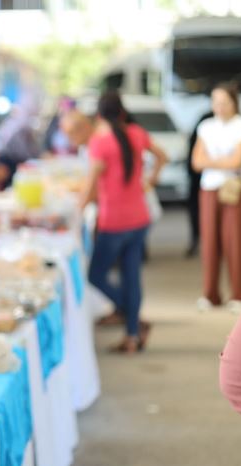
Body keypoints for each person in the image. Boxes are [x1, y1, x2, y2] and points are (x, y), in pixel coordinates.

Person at [81, 91, 166, 353]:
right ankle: (132, 333)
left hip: (114, 220)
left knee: (96, 275)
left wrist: (79, 207)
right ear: (121, 112)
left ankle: (132, 319)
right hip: (139, 218)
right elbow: (163, 157)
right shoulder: (137, 133)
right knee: (132, 276)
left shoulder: (100, 142)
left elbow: (91, 182)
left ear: (98, 115)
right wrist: (150, 181)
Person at [191, 82, 241, 313]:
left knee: (235, 241)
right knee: (210, 241)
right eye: (216, 102)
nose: (219, 107)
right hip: (209, 189)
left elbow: (236, 162)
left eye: (224, 102)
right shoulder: (206, 126)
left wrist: (211, 162)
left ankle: (239, 294)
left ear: (234, 103)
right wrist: (222, 162)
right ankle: (210, 293)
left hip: (234, 188)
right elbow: (196, 162)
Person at [185, 111, 214, 258]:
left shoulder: (238, 126)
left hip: (222, 184)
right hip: (201, 181)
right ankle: (197, 240)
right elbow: (196, 161)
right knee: (197, 212)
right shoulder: (205, 125)